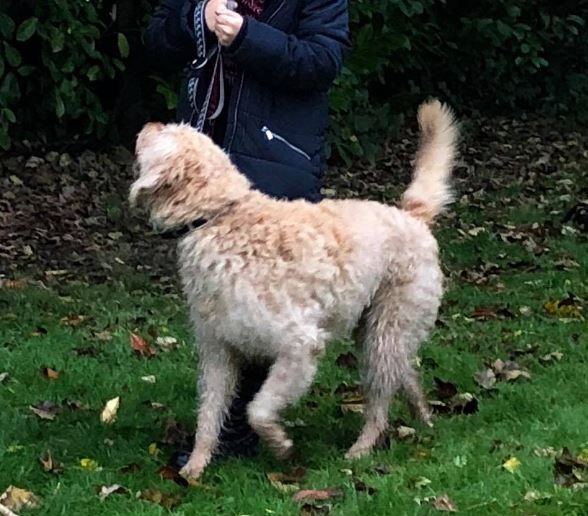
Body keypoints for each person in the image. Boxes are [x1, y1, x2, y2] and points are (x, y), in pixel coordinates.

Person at [145, 0, 350, 460]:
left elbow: (322, 62)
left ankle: (238, 429)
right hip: (204, 157)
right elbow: (156, 40)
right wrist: (196, 17)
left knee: (263, 299)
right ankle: (222, 426)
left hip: (278, 161)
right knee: (217, 302)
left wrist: (247, 38)